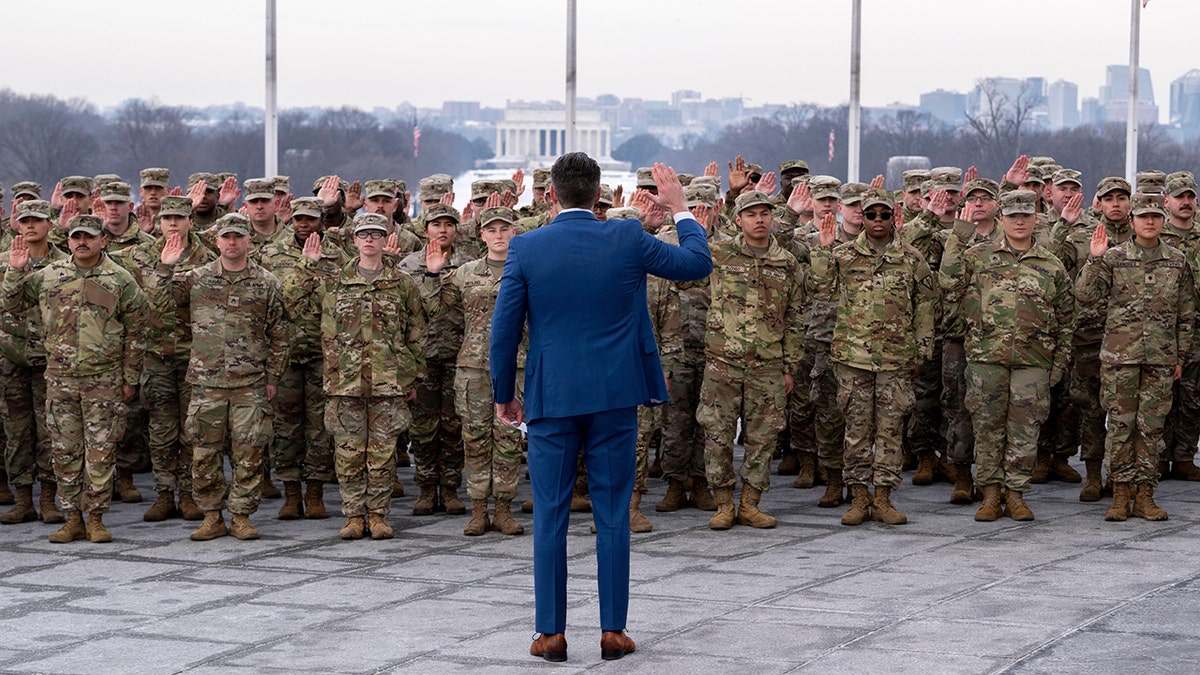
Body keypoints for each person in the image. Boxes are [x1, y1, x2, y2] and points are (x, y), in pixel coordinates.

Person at [490, 154, 711, 662]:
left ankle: (551, 633)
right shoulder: (627, 238)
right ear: (601, 197)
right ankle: (613, 631)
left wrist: (505, 394)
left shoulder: (526, 247)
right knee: (613, 515)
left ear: (552, 196)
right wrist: (680, 210)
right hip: (615, 397)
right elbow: (696, 263)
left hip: (552, 398)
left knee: (550, 516)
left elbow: (504, 330)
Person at [2, 214, 147, 543]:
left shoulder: (120, 279)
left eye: (89, 236)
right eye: (76, 236)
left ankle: (95, 518)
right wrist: (16, 269)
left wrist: (130, 377)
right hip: (61, 378)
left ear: (102, 240)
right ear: (67, 241)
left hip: (103, 378)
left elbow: (137, 330)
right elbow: (11, 303)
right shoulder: (50, 276)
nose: (82, 241)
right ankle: (71, 518)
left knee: (100, 450)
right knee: (64, 451)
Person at [150, 213, 289, 541]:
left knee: (250, 452)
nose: (232, 242)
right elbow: (157, 304)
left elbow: (281, 333)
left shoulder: (267, 282)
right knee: (204, 453)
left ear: (248, 241)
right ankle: (212, 514)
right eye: (226, 236)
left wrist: (273, 376)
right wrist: (165, 267)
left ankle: (241, 515)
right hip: (207, 382)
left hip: (250, 383)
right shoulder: (196, 278)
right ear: (216, 241)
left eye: (238, 237)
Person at [290, 212, 426, 540]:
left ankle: (378, 515)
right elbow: (293, 302)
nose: (369, 240)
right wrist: (307, 264)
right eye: (363, 234)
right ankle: (353, 515)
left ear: (384, 240)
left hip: (387, 384)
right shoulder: (334, 282)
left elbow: (417, 333)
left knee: (381, 454)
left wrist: (411, 377)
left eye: (376, 234)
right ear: (354, 241)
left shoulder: (402, 283)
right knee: (349, 454)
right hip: (345, 384)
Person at [944, 190, 1074, 522]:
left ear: (1035, 219)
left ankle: (1015, 494)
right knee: (987, 429)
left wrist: (1057, 366)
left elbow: (1066, 318)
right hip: (987, 359)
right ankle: (989, 493)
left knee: (1025, 431)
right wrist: (960, 231)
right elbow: (948, 282)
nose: (1019, 221)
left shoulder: (1051, 264)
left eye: (1025, 216)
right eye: (1013, 215)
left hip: (1033, 362)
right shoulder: (978, 256)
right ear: (1001, 219)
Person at [811, 189, 937, 525]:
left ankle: (883, 498)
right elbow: (819, 290)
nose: (878, 221)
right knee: (856, 431)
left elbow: (925, 307)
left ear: (894, 214)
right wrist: (823, 252)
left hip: (896, 361)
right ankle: (858, 498)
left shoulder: (911, 258)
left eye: (884, 215)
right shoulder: (843, 255)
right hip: (853, 359)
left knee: (890, 431)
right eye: (871, 215)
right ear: (861, 218)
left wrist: (922, 351)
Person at [1076, 194, 1194, 521]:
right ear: (1132, 221)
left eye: (1156, 216)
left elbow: (1186, 313)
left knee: (1151, 428)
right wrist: (1094, 259)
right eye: (1143, 216)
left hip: (1160, 358)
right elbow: (1085, 296)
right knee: (1120, 426)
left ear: (1163, 220)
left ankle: (1145, 495)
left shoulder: (1176, 260)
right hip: (1120, 357)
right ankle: (1120, 494)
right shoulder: (1113, 258)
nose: (1150, 221)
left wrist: (1179, 356)